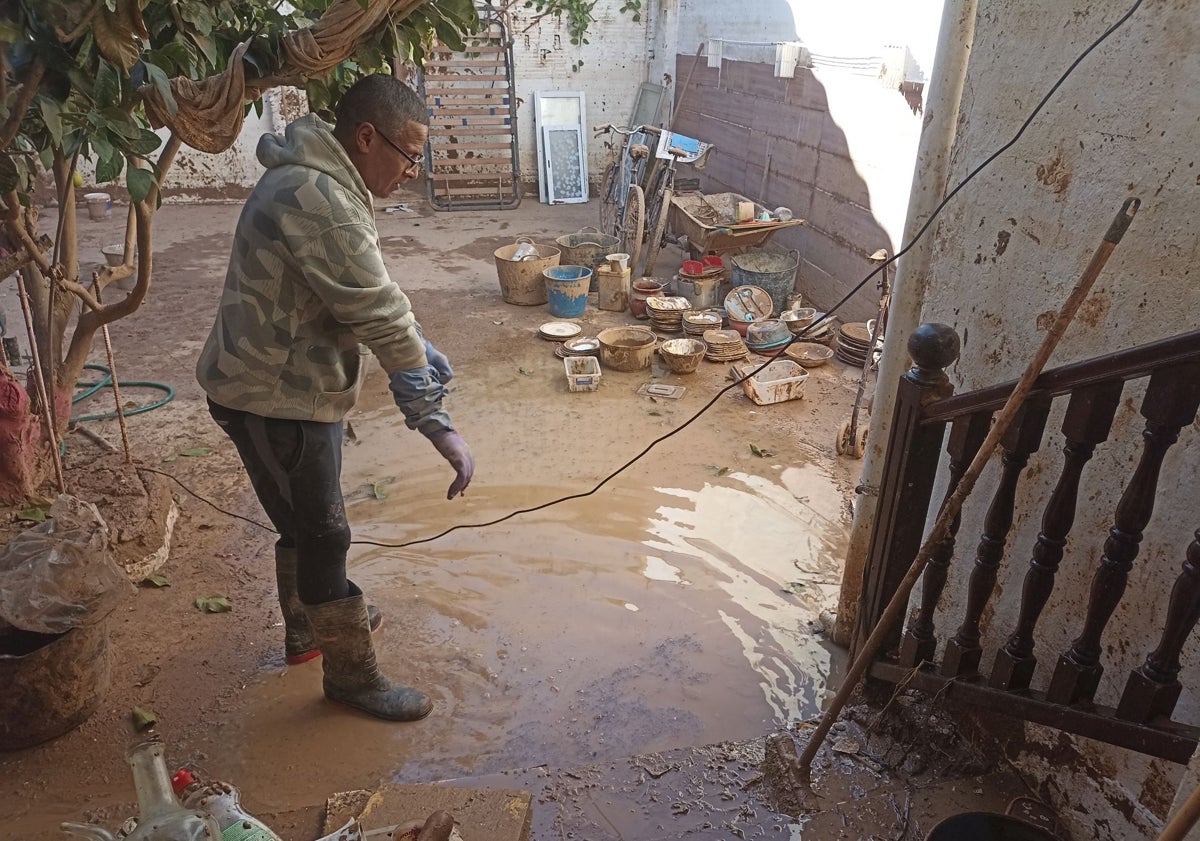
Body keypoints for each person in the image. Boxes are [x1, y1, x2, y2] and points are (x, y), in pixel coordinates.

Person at [195, 74, 474, 722]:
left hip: (298, 382)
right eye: (408, 154)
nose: (413, 170)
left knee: (305, 524)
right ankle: (350, 674)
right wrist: (437, 425)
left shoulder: (327, 179)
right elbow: (376, 308)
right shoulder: (315, 192)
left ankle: (310, 629)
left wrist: (418, 342)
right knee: (324, 532)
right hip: (271, 394)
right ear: (367, 137)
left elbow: (362, 289)